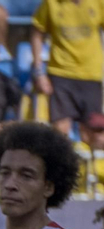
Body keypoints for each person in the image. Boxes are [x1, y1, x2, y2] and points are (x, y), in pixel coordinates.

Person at [30, 0, 103, 139]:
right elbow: (37, 33)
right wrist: (39, 72)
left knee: (93, 134)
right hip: (60, 73)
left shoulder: (98, 2)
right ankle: (62, 154)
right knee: (60, 130)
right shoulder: (51, 3)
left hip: (91, 75)